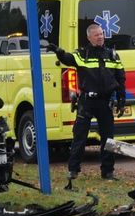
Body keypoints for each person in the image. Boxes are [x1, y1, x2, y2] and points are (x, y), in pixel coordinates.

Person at [54, 23, 127, 182]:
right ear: (89, 37)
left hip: (105, 102)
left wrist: (122, 98)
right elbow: (68, 59)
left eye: (101, 34)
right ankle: (73, 170)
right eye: (97, 35)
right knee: (79, 137)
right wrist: (59, 53)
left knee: (108, 139)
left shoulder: (112, 55)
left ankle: (107, 172)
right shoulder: (82, 54)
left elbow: (120, 77)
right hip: (87, 101)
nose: (100, 37)